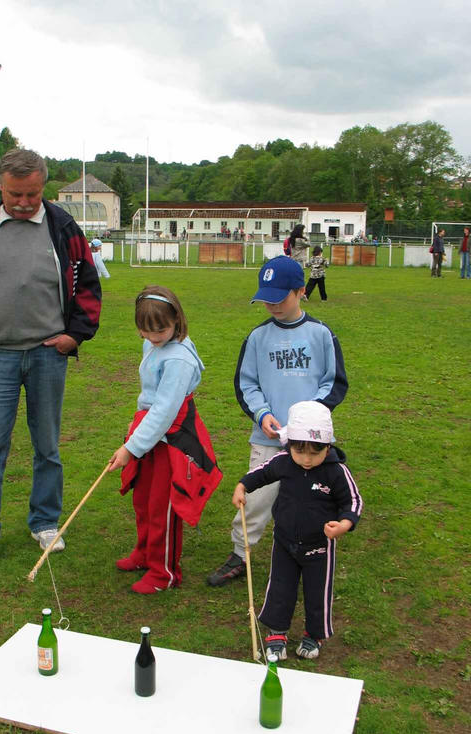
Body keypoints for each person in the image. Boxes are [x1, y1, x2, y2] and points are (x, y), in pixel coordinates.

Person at [0, 148, 102, 570]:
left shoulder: (64, 226)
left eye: (32, 193)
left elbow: (87, 284)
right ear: (1, 187)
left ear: (42, 186)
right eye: (16, 194)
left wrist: (75, 335)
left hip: (49, 355)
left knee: (47, 446)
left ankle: (45, 522)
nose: (25, 202)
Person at [207, 255, 348, 587]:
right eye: (265, 299)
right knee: (256, 499)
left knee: (314, 500)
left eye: (278, 297)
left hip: (311, 443)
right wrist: (263, 414)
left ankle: (312, 555)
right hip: (267, 439)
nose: (271, 305)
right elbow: (247, 384)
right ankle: (240, 554)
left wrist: (308, 417)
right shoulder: (257, 338)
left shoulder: (320, 334)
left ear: (300, 291)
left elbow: (334, 381)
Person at [109, 286, 222, 594]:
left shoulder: (179, 360)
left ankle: (164, 572)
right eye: (146, 331)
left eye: (161, 330)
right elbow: (148, 400)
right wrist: (134, 437)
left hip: (173, 436)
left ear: (177, 321)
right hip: (150, 432)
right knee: (143, 499)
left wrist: (130, 448)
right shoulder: (153, 344)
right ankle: (145, 553)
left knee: (163, 505)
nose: (154, 337)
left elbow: (164, 410)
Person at [232, 400, 362, 660]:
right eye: (299, 451)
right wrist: (242, 486)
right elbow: (262, 473)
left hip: (320, 546)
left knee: (317, 591)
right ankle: (277, 631)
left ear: (328, 446)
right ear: (289, 444)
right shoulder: (284, 462)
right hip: (284, 542)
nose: (306, 459)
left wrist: (344, 524)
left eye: (315, 453)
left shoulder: (337, 472)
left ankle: (314, 634)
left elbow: (353, 501)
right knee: (280, 586)